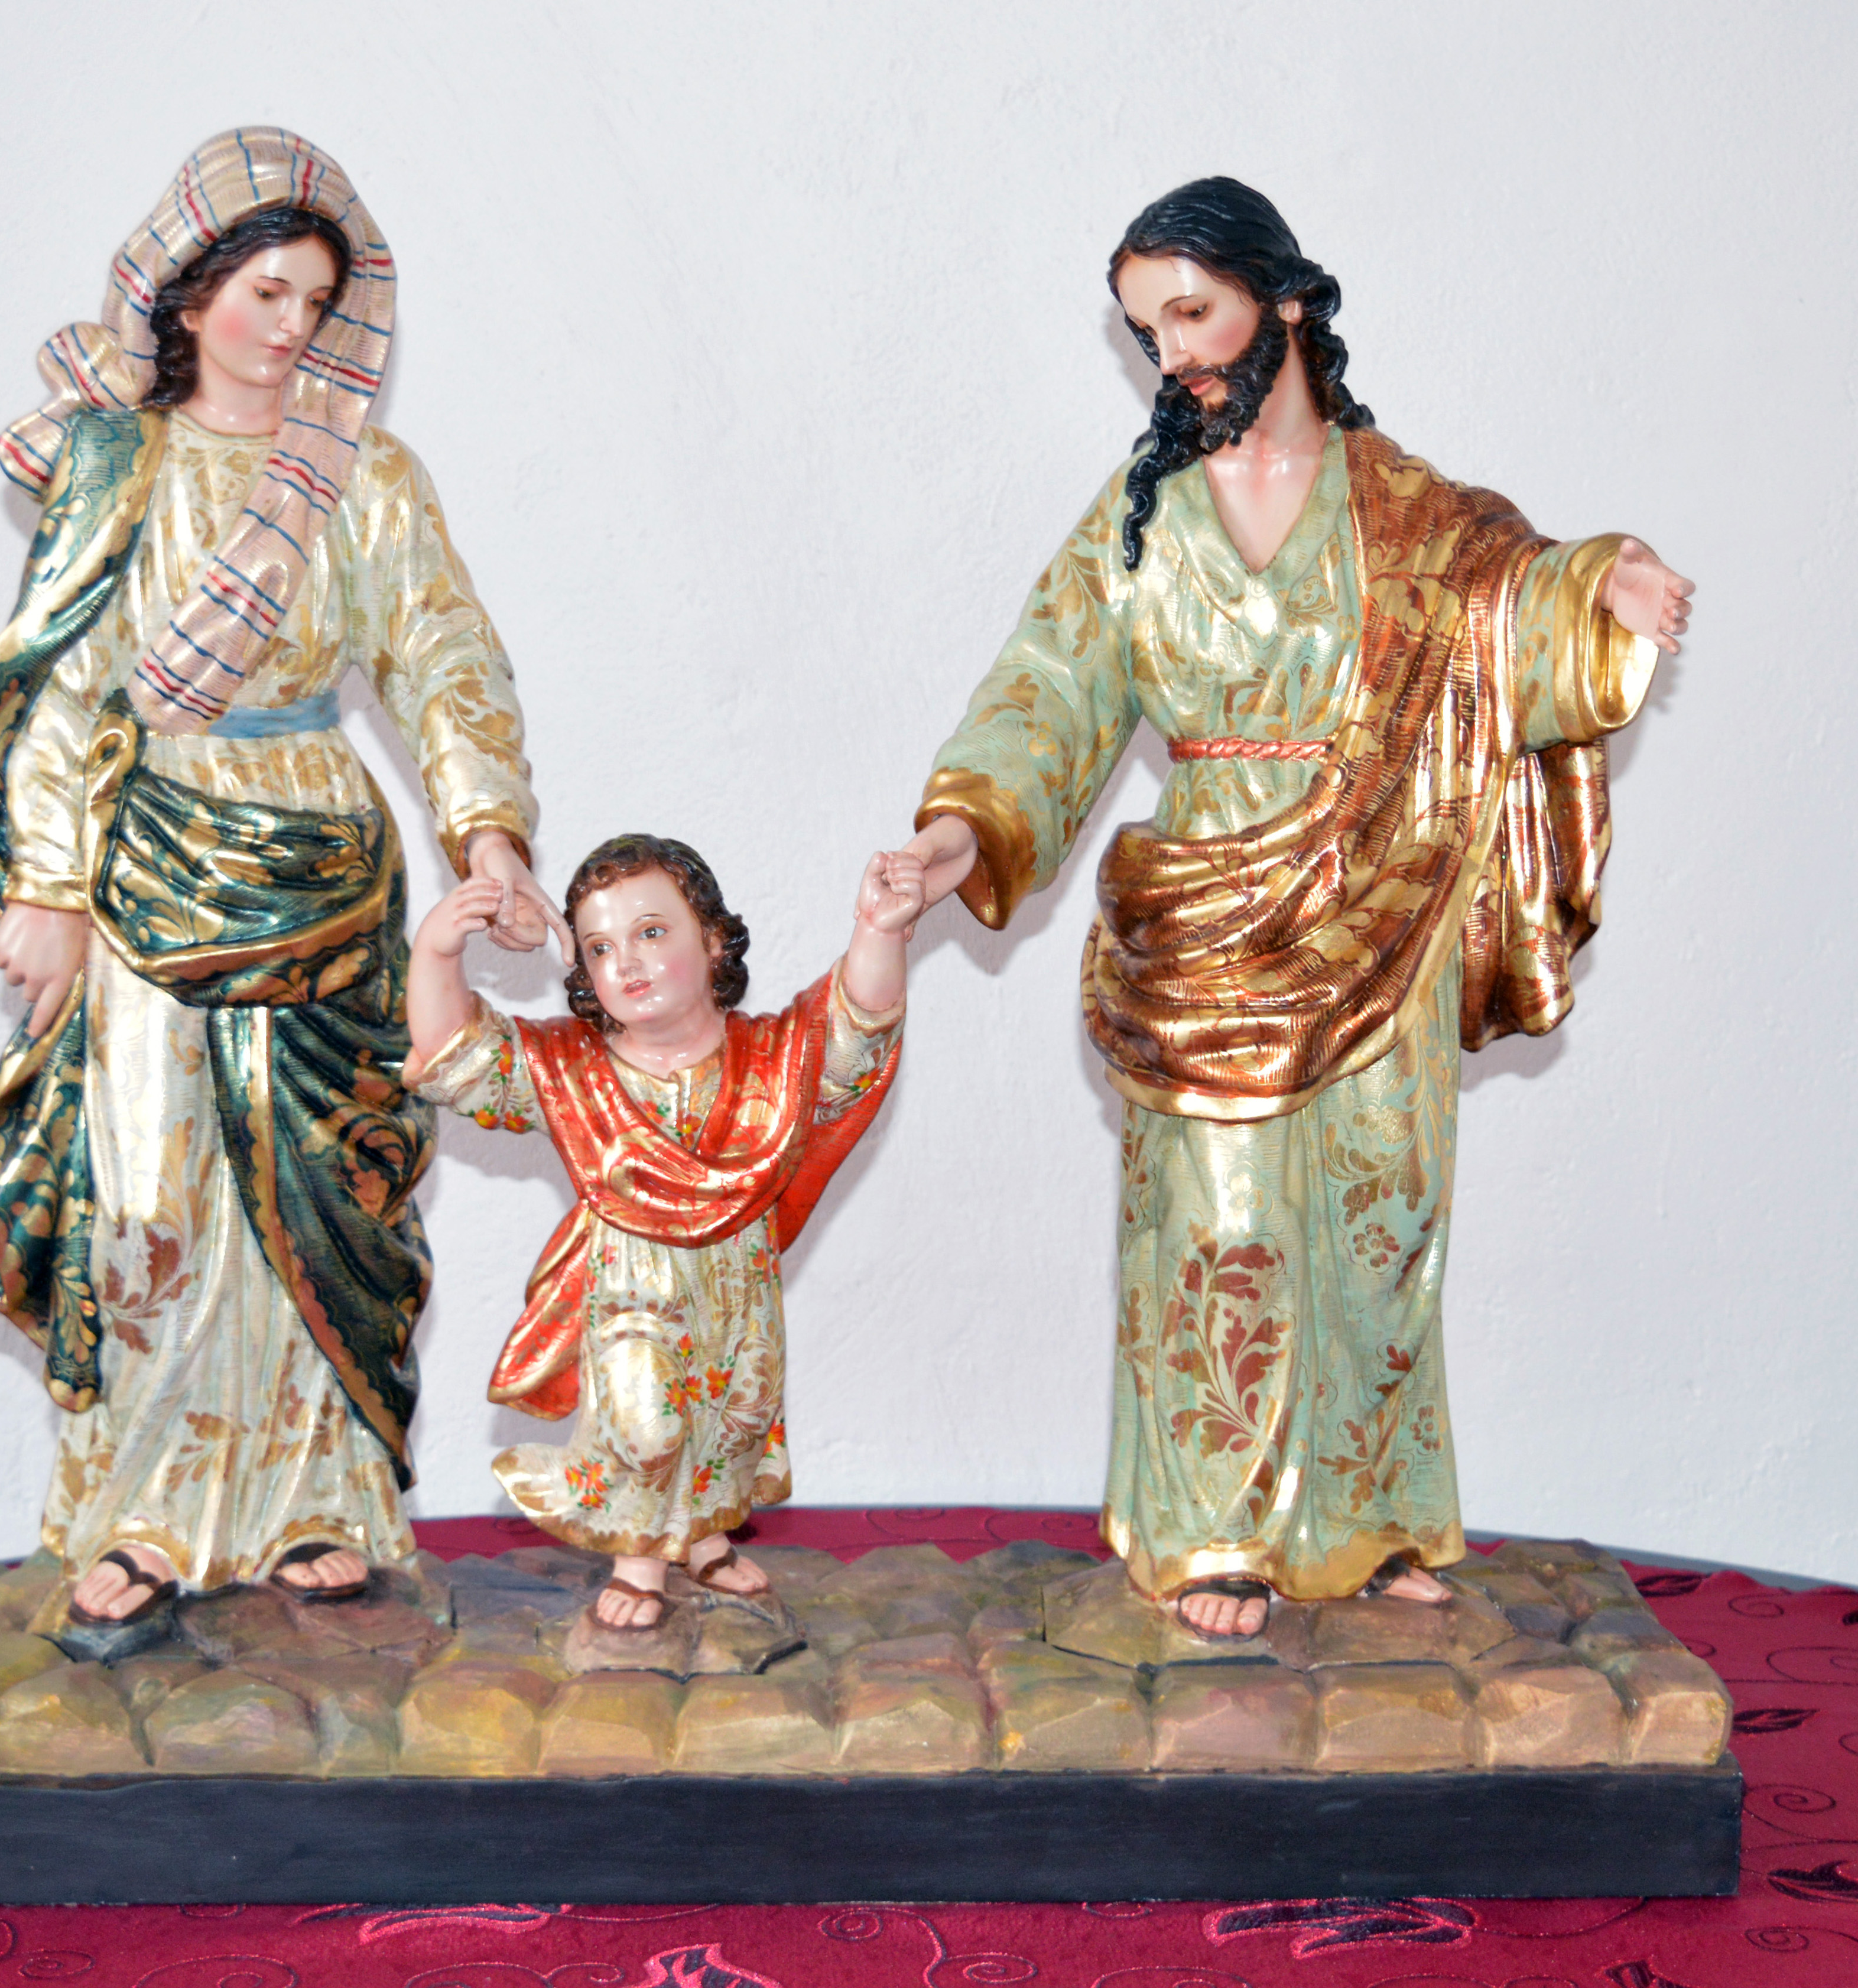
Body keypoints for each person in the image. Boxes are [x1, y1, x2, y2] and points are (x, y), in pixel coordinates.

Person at [898, 177, 1695, 1641]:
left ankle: (1365, 1518)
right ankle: (1216, 1528)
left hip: (1386, 901)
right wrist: (966, 829)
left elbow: (1515, 605)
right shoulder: (1141, 520)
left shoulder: (1415, 519)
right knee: (1224, 1228)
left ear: (1287, 303)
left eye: (1190, 314)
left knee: (1381, 1218)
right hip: (1209, 911)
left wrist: (1603, 590)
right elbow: (1050, 685)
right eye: (1147, 332)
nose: (1172, 355)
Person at [0, 130, 558, 1635]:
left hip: (324, 863)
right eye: (265, 292)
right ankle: (145, 1513)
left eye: (316, 301)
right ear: (188, 293)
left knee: (323, 1194)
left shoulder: (362, 477)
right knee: (153, 1195)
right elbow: (65, 688)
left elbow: (440, 652)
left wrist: (485, 828)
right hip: (151, 859)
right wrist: (48, 887)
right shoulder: (119, 464)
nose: (290, 326)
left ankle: (316, 1497)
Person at [405, 836, 919, 1629]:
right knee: (647, 1425)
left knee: (736, 1412)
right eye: (601, 948)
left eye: (651, 932)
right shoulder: (574, 1071)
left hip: (737, 1296)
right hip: (630, 1297)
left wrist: (879, 929)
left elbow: (853, 1033)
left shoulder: (770, 1059)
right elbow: (457, 1057)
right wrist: (437, 950)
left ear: (712, 939)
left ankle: (705, 1537)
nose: (628, 963)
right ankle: (639, 1558)